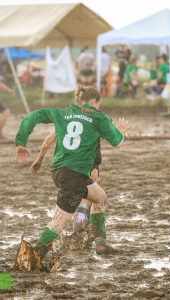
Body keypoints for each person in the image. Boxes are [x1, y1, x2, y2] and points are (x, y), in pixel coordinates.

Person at [15, 86, 130, 259]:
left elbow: (34, 116)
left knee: (100, 196)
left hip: (59, 171)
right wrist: (122, 130)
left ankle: (100, 243)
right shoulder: (98, 117)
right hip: (74, 176)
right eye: (98, 104)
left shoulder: (62, 113)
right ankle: (35, 255)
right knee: (60, 221)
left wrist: (21, 141)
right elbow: (118, 142)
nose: (98, 107)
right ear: (93, 101)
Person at [30, 131, 102, 233]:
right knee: (87, 199)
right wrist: (121, 132)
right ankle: (82, 234)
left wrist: (39, 159)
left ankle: (82, 233)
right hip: (87, 164)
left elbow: (48, 141)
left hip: (64, 168)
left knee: (83, 199)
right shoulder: (95, 119)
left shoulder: (64, 118)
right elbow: (113, 137)